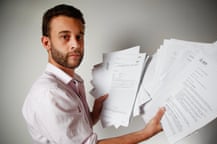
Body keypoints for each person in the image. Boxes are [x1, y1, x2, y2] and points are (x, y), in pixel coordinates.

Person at [22, 4, 165, 144]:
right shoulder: (50, 94)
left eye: (79, 37)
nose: (76, 44)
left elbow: (73, 134)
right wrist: (146, 133)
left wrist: (92, 116)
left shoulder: (73, 81)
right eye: (65, 37)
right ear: (46, 43)